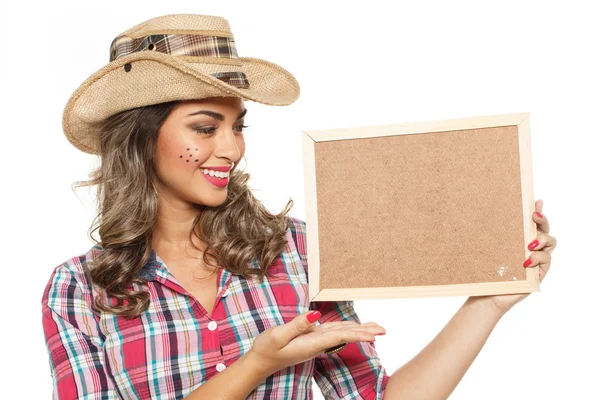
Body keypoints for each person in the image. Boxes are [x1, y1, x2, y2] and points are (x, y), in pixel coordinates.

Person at [41, 13, 558, 400]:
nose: (232, 148)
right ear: (141, 138)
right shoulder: (79, 291)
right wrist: (256, 364)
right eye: (205, 128)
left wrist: (487, 303)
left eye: (238, 126)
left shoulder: (295, 249)